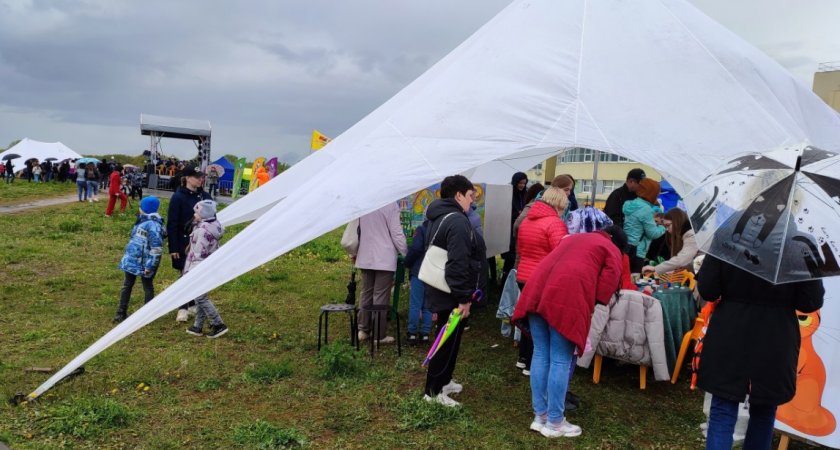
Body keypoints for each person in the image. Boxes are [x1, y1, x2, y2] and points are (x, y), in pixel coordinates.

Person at [695, 255, 824, 450]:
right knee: (764, 411)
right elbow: (810, 301)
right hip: (775, 338)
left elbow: (708, 289)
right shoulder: (800, 245)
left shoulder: (729, 236)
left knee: (723, 410)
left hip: (731, 331)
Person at [512, 225, 625, 438]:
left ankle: (540, 416)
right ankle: (555, 422)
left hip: (535, 292)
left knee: (540, 354)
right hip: (565, 299)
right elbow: (606, 289)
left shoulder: (573, 238)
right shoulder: (611, 249)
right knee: (560, 360)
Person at [423, 175, 484, 408]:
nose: (472, 201)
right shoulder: (457, 220)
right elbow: (458, 262)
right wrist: (463, 298)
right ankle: (433, 392)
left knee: (451, 338)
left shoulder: (440, 216)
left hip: (444, 288)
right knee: (446, 341)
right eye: (470, 196)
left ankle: (444, 381)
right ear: (458, 195)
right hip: (450, 291)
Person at [514, 186, 569, 377]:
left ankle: (523, 358)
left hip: (523, 275)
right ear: (558, 204)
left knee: (528, 318)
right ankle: (532, 364)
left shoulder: (527, 220)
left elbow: (520, 249)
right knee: (539, 325)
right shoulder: (555, 223)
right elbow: (560, 254)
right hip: (541, 278)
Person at [354, 202, 408, 343]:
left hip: (365, 255)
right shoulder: (390, 205)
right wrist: (406, 253)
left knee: (366, 293)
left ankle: (363, 330)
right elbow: (397, 233)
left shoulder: (366, 203)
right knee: (380, 296)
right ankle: (378, 335)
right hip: (384, 258)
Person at [167, 165, 211, 322]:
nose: (200, 179)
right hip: (183, 242)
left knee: (198, 273)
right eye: (197, 176)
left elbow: (213, 216)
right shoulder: (178, 197)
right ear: (187, 178)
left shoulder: (205, 196)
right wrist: (173, 247)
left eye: (201, 177)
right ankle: (182, 307)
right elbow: (172, 224)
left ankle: (193, 303)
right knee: (184, 274)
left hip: (202, 242)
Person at [113, 196, 165, 323]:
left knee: (147, 286)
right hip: (133, 260)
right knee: (127, 284)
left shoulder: (154, 225)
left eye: (141, 206)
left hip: (145, 262)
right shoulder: (142, 220)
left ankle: (147, 314)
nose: (139, 208)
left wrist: (150, 265)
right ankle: (121, 311)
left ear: (145, 208)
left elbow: (156, 248)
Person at [184, 200, 229, 338]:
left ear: (203, 214)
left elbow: (199, 254)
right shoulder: (212, 225)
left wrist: (192, 271)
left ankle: (218, 324)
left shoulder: (203, 231)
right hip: (209, 265)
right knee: (199, 296)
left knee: (200, 297)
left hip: (200, 266)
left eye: (196, 212)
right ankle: (198, 325)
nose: (194, 214)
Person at [622, 178, 666, 273]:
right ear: (651, 193)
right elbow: (653, 233)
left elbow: (636, 222)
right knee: (634, 280)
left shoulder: (630, 204)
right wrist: (663, 226)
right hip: (637, 251)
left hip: (626, 246)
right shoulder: (646, 210)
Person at [642, 208, 699, 275]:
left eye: (668, 225)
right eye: (665, 226)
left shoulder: (690, 234)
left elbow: (682, 260)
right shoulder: (685, 234)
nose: (667, 229)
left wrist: (655, 268)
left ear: (677, 222)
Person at [403, 220, 432, 346]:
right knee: (428, 305)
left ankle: (412, 333)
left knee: (415, 303)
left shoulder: (422, 229)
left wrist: (407, 263)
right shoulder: (441, 229)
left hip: (419, 271)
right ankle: (425, 334)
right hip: (433, 273)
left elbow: (415, 249)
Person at [501, 172, 528, 283]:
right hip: (509, 230)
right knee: (510, 257)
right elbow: (504, 212)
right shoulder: (509, 194)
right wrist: (518, 214)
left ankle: (512, 282)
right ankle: (504, 282)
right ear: (515, 182)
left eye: (524, 183)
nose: (522, 185)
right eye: (520, 183)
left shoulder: (525, 194)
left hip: (522, 231)